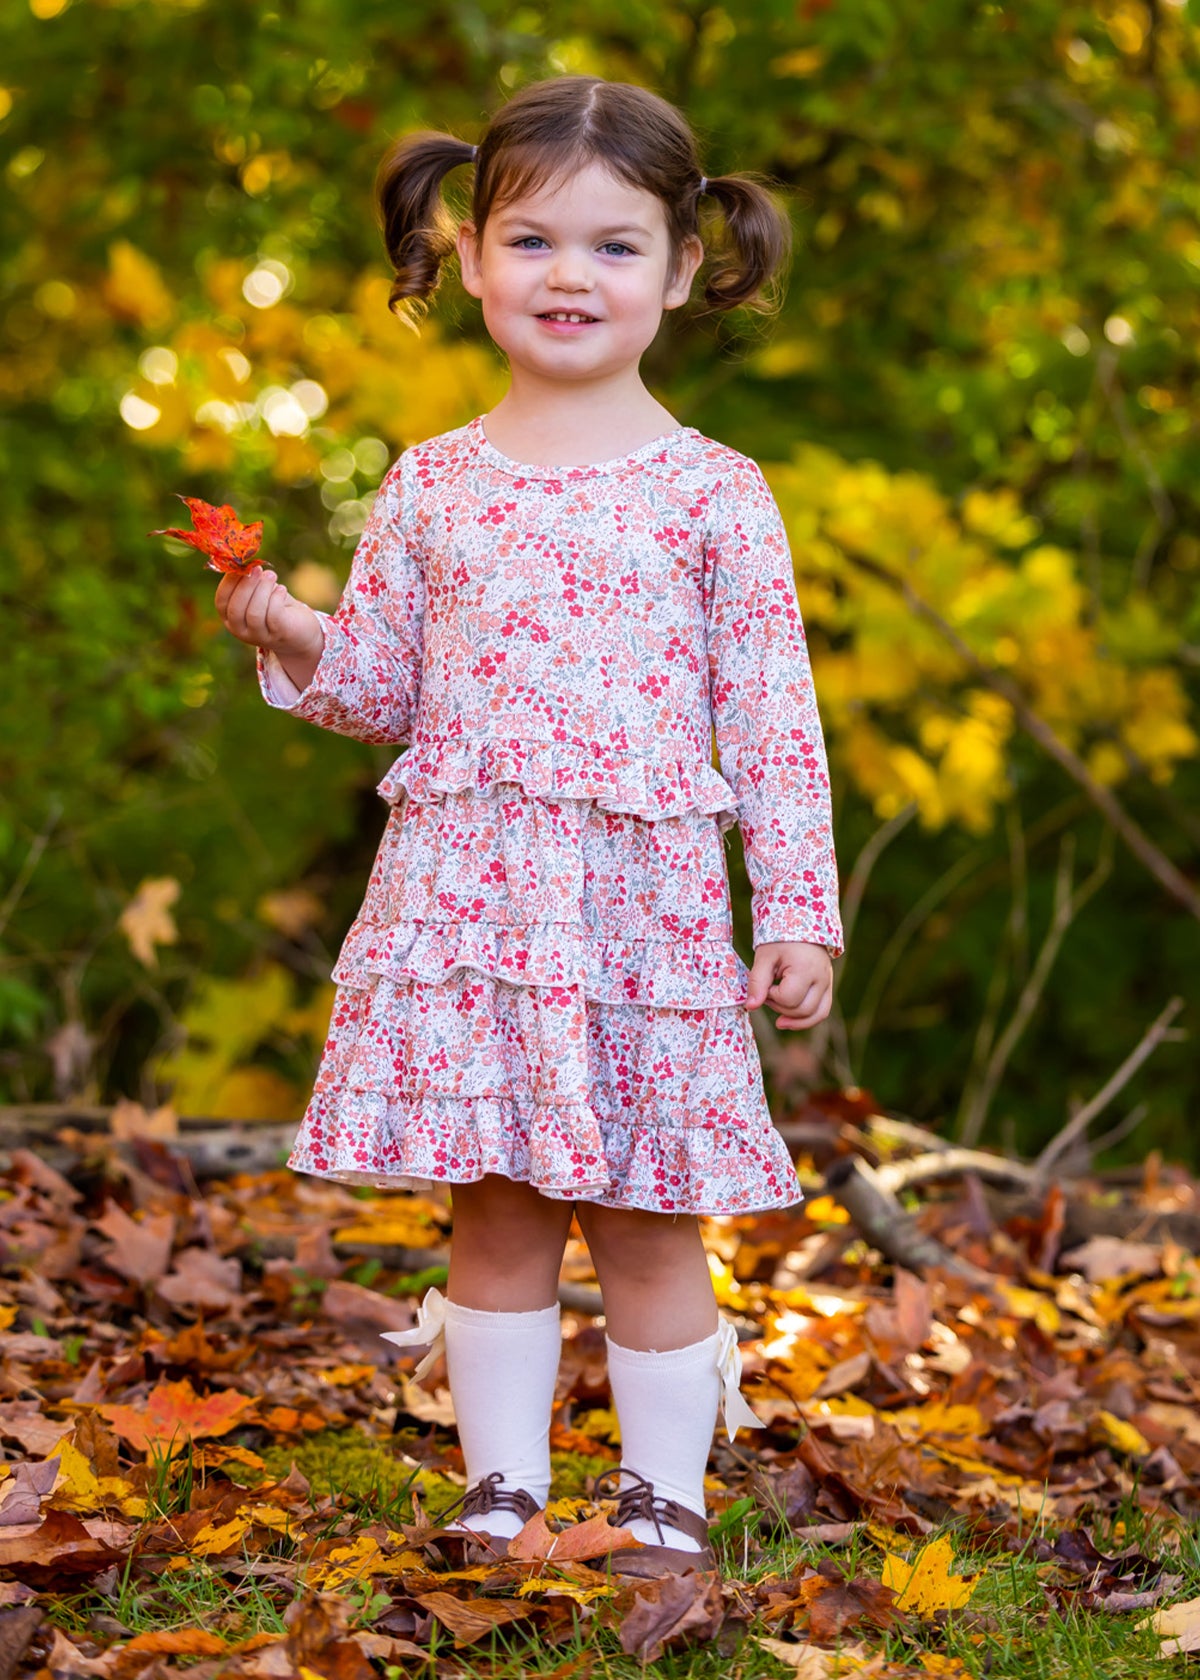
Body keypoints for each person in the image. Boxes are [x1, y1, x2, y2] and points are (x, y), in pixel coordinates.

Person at [215, 74, 844, 1577]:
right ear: (472, 255)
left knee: (643, 1209)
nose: (572, 276)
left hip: (646, 907)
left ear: (685, 268)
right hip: (477, 899)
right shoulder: (432, 486)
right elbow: (385, 691)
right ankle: (500, 1490)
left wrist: (802, 908)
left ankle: (660, 1498)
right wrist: (290, 626)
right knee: (492, 1199)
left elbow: (771, 720)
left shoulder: (714, 496)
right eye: (536, 240)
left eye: (616, 247)